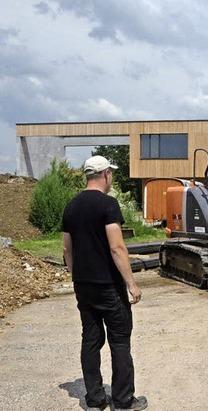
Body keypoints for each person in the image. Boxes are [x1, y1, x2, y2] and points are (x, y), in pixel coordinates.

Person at [62, 155, 147, 411]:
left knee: (90, 339)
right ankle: (122, 401)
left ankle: (95, 399)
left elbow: (67, 249)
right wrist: (131, 283)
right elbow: (117, 248)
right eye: (112, 174)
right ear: (106, 174)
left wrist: (78, 277)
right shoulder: (108, 205)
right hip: (109, 286)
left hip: (83, 286)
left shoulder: (71, 206)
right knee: (119, 342)